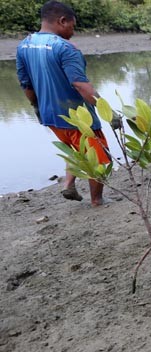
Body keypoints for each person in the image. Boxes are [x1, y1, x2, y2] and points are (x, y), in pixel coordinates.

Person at [16, 1, 110, 206]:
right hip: (78, 117)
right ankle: (97, 200)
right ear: (62, 20)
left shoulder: (25, 45)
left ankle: (68, 184)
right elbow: (80, 85)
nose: (72, 32)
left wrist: (36, 108)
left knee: (74, 148)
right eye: (72, 26)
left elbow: (26, 84)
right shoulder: (66, 48)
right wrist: (109, 112)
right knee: (99, 158)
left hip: (51, 115)